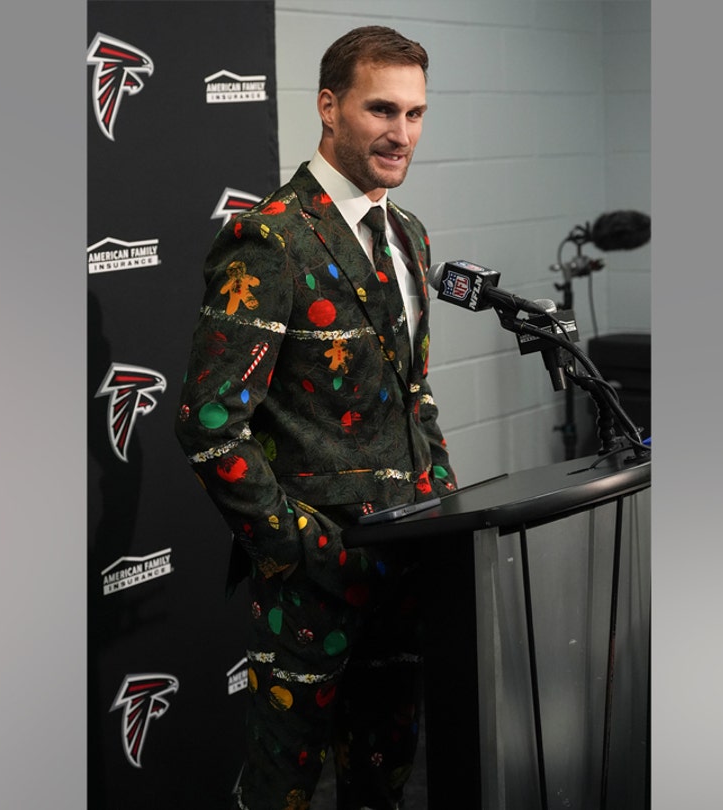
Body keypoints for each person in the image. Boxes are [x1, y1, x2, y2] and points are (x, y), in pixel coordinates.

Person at [174, 25, 457, 810]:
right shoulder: (270, 238)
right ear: (329, 107)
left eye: (415, 113)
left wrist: (449, 513)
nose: (402, 133)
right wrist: (299, 549)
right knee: (285, 791)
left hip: (407, 565)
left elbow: (416, 396)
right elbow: (207, 422)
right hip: (313, 583)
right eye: (381, 110)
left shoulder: (409, 235)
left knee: (384, 781)